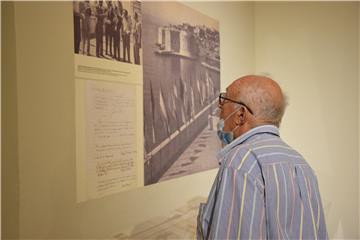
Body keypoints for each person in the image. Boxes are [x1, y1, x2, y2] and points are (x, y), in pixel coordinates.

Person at [197, 75, 328, 239]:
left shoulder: (241, 162)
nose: (219, 108)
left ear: (241, 115)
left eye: (224, 100)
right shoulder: (301, 163)